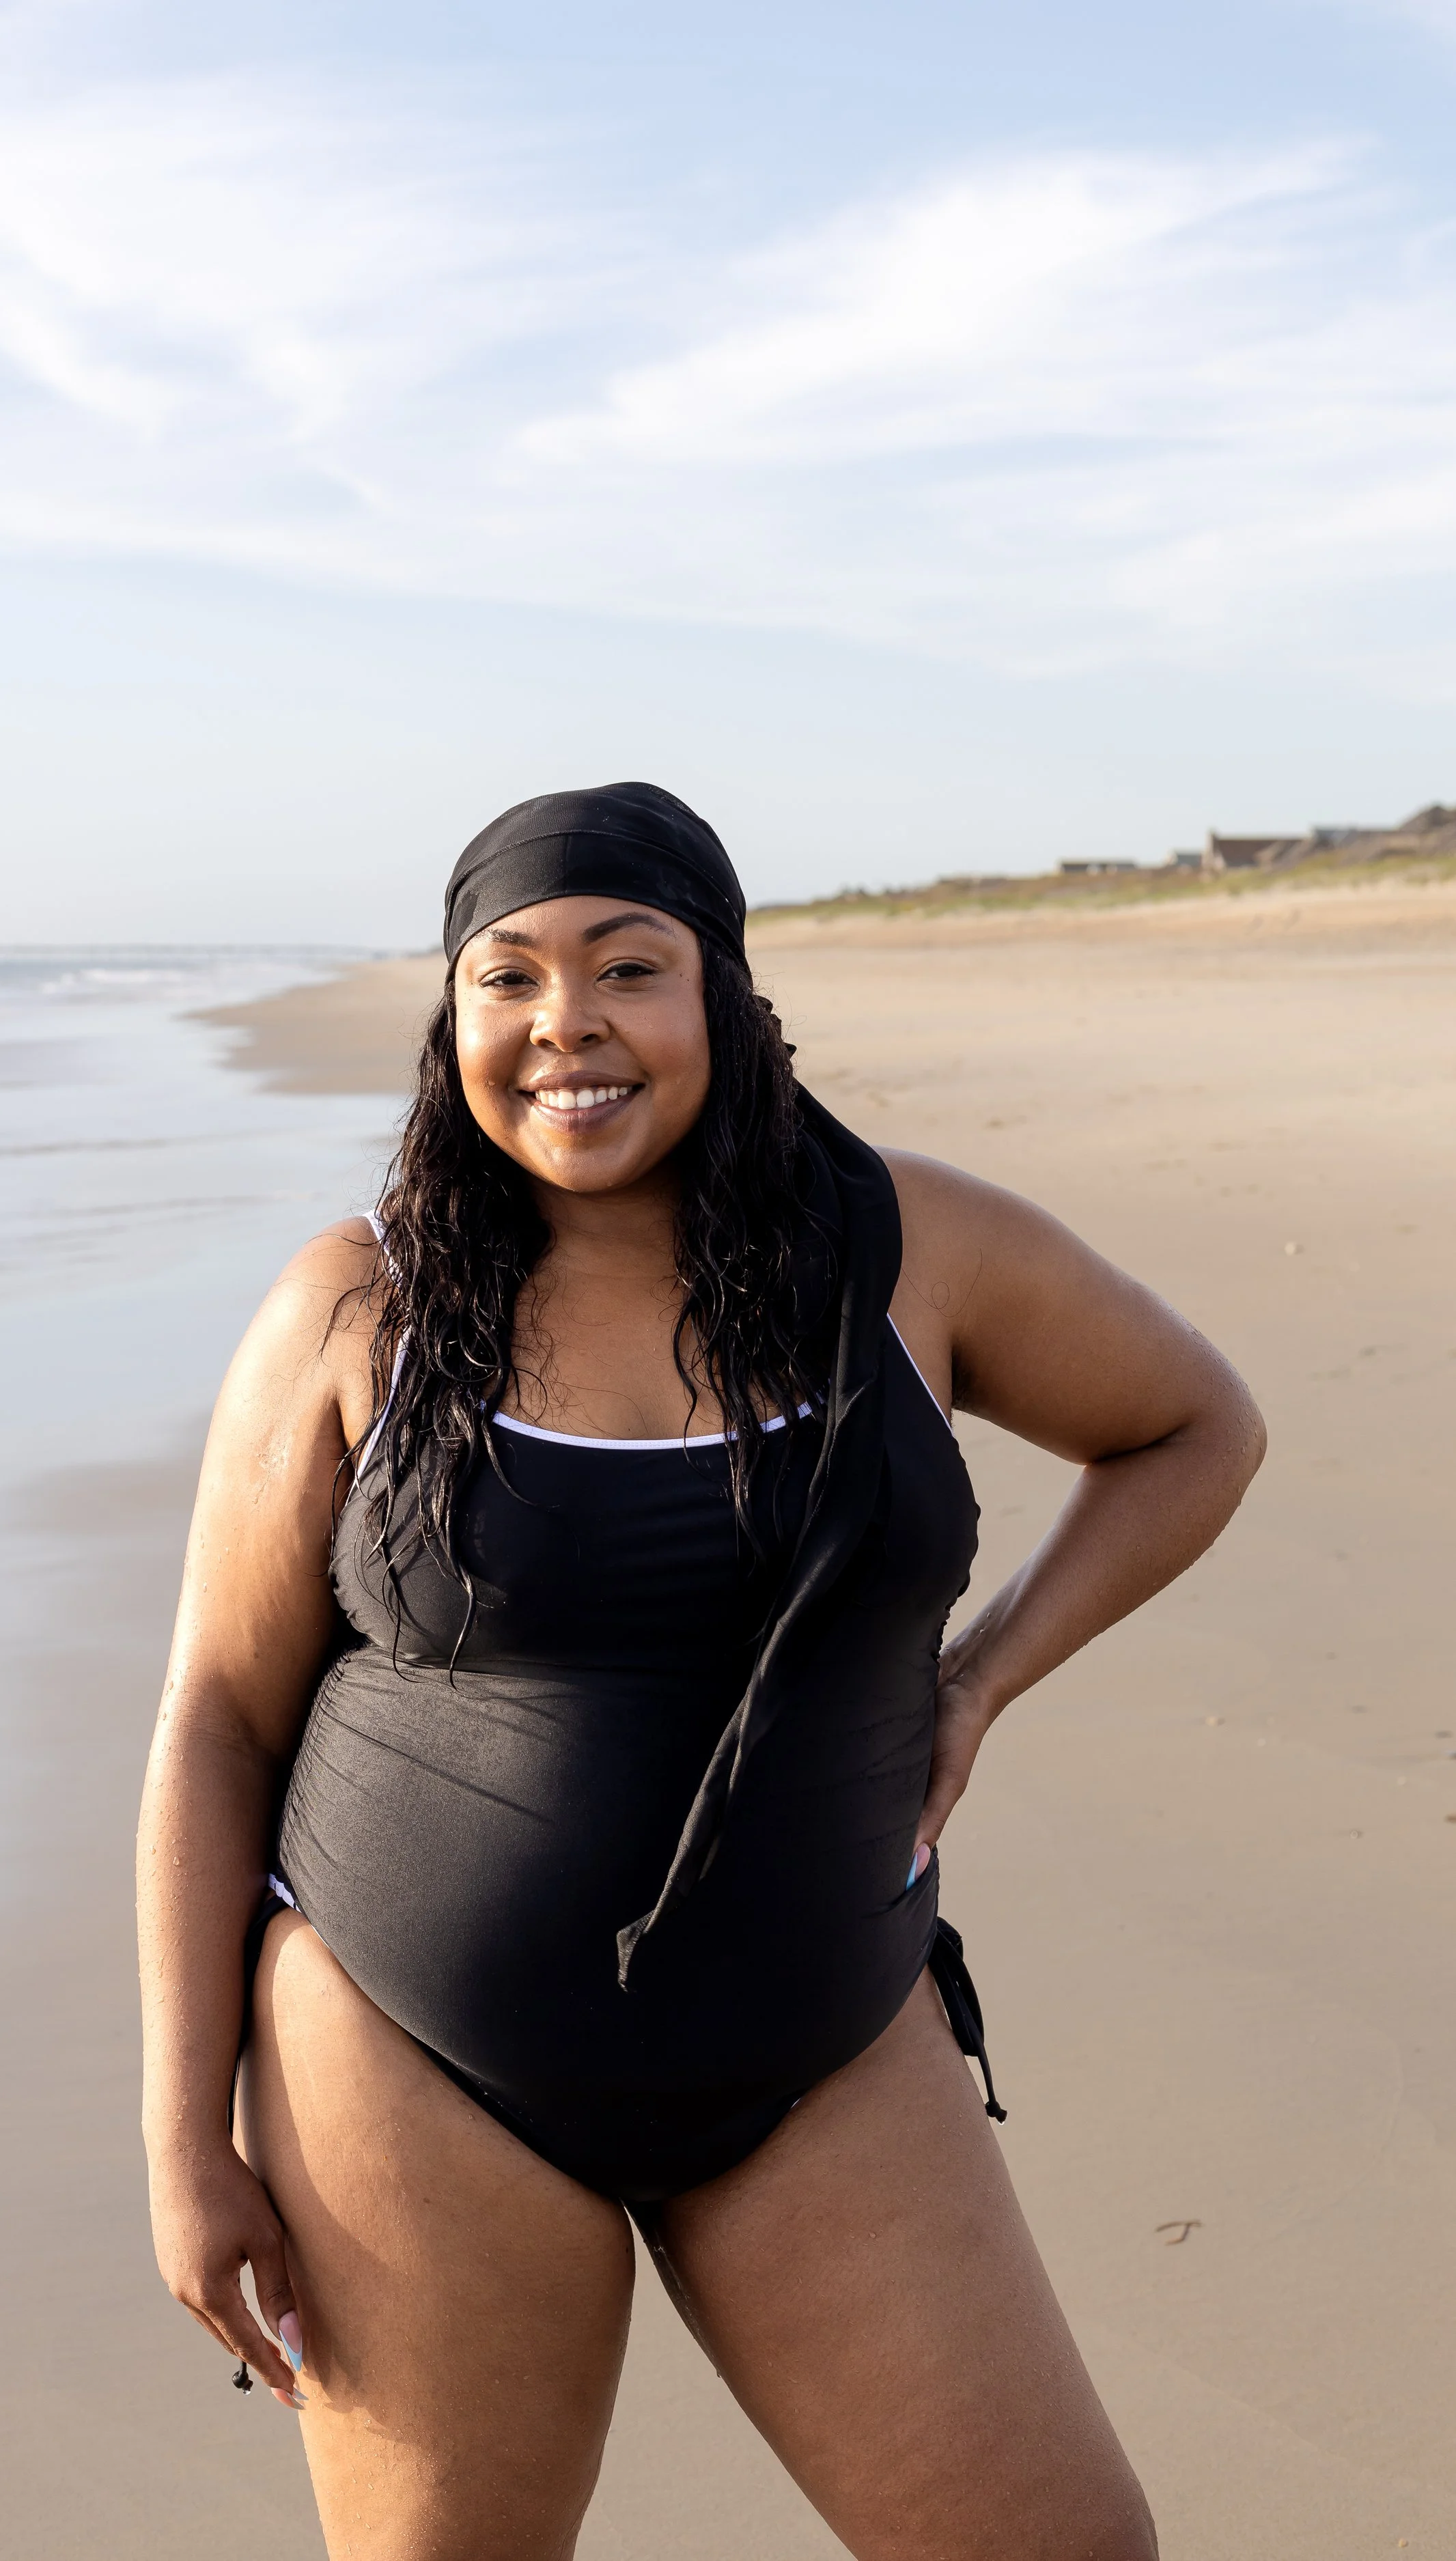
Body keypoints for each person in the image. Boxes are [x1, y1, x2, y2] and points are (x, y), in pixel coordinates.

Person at [137, 783, 1263, 2561]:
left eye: (624, 967)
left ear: (722, 1002)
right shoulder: (361, 1306)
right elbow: (213, 1719)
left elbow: (1194, 1425)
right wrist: (181, 2133)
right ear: (453, 1024)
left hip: (820, 2023)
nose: (561, 1023)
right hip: (411, 2049)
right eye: (503, 977)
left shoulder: (902, 1255)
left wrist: (975, 1682)